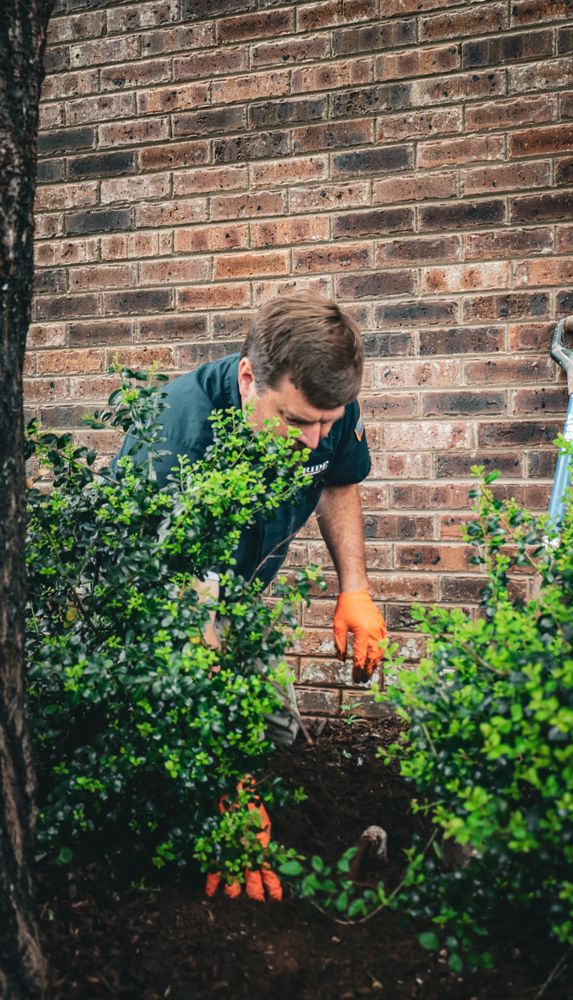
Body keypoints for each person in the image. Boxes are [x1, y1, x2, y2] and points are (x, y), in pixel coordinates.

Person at [114, 292, 387, 900]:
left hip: (234, 593)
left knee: (276, 736)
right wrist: (230, 793)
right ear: (247, 380)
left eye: (328, 422)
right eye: (297, 422)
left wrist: (355, 589)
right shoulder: (177, 440)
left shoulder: (324, 405)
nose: (315, 439)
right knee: (175, 745)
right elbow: (190, 619)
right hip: (156, 606)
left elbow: (338, 480)